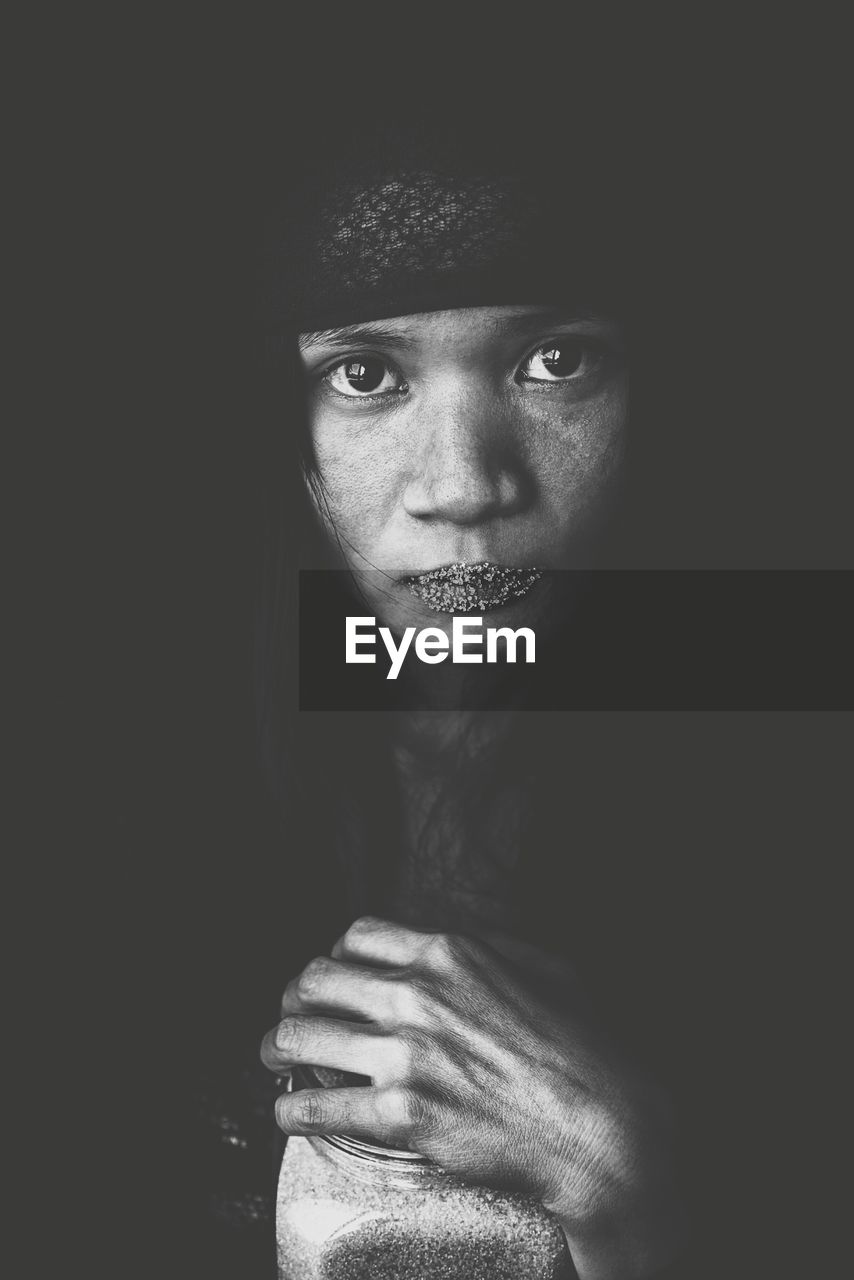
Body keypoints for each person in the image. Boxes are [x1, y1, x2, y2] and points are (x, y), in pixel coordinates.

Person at [245, 107, 691, 1280]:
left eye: (553, 360)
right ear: (278, 432)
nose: (462, 483)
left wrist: (624, 1176)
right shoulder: (117, 811)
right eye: (365, 373)